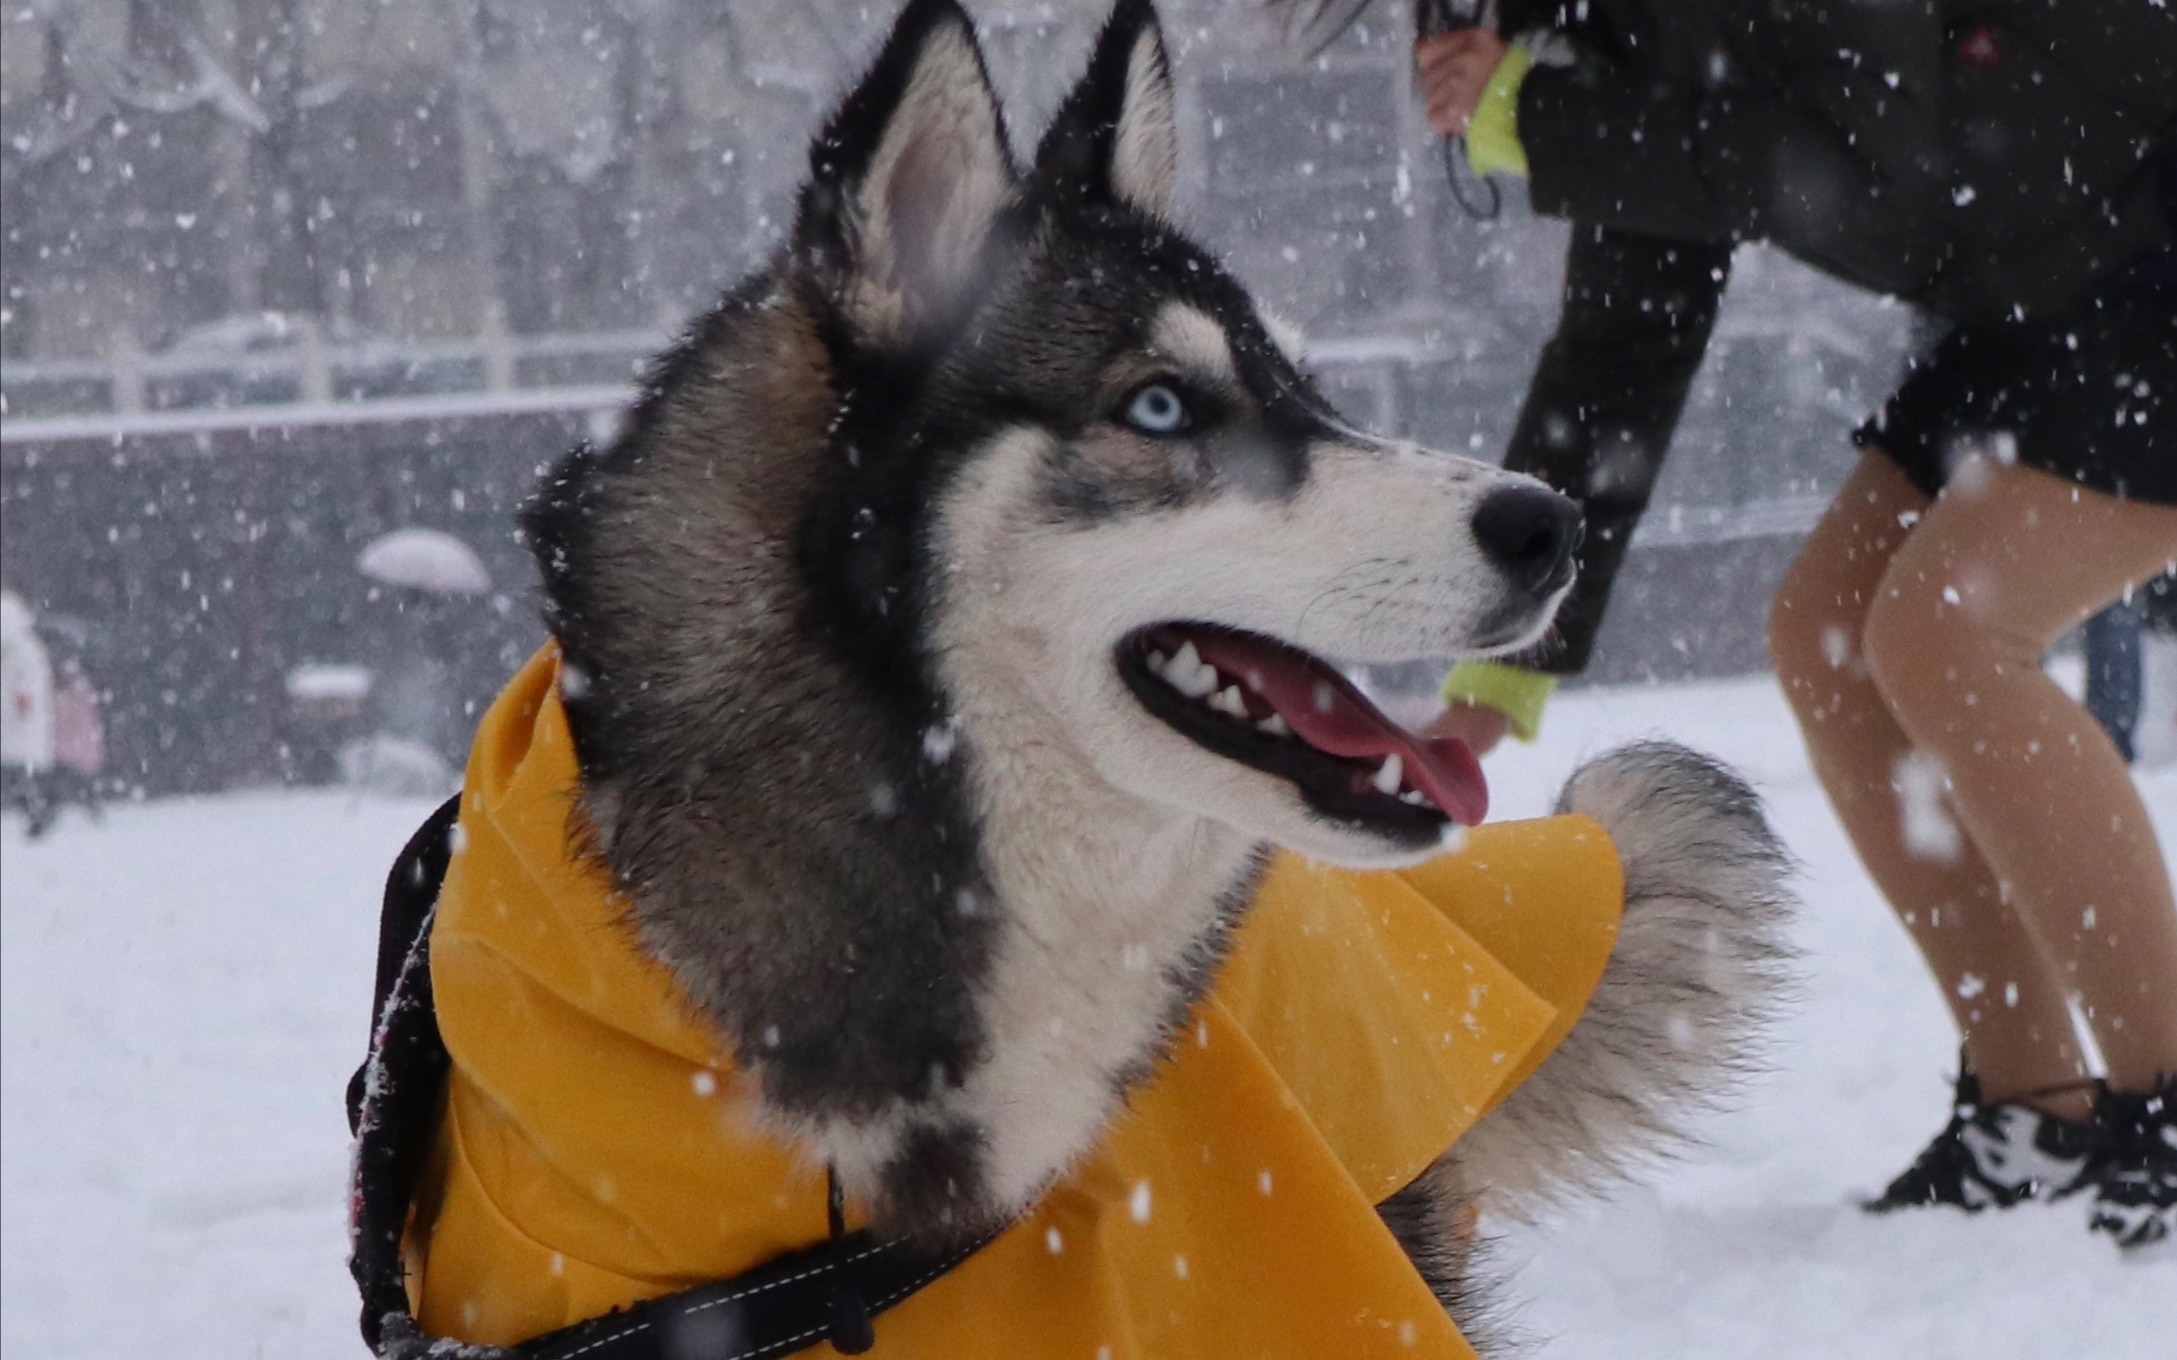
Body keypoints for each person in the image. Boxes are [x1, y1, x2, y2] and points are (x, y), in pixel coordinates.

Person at [1412, 0, 2177, 1246]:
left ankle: (2164, 1098)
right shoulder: (1611, 41)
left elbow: (1879, 181)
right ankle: (2031, 1107)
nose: (1443, 55)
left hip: (2141, 249)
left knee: (1941, 636)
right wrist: (1507, 664)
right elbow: (1624, 339)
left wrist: (1540, 119)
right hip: (2034, 289)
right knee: (1829, 639)